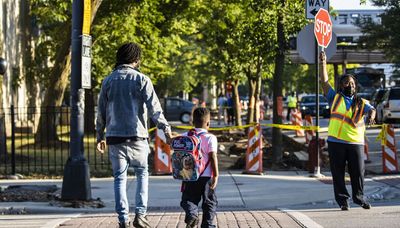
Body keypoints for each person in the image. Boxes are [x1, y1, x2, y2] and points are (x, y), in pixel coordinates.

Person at [96, 42, 172, 228]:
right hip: (138, 137)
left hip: (115, 138)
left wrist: (100, 136)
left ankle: (123, 219)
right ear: (136, 60)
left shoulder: (108, 81)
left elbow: (101, 112)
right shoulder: (142, 80)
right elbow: (155, 109)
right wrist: (166, 129)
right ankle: (140, 215)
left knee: (119, 179)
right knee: (142, 175)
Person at [319, 51, 376, 211]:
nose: (350, 86)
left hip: (355, 143)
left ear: (355, 86)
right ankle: (343, 201)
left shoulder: (361, 101)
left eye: (352, 84)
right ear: (340, 86)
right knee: (338, 174)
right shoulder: (334, 97)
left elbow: (372, 109)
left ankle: (359, 198)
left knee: (358, 172)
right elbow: (324, 80)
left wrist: (372, 114)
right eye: (346, 83)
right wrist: (323, 63)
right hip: (336, 142)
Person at [180, 107, 219, 228]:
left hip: (189, 175)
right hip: (207, 177)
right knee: (209, 202)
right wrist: (216, 175)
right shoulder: (211, 138)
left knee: (189, 199)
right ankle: (207, 225)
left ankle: (192, 214)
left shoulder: (185, 136)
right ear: (208, 123)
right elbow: (213, 156)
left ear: (193, 121)